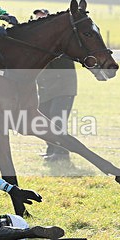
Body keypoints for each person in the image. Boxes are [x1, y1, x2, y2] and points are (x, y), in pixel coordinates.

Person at [34, 8, 78, 162]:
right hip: (45, 89)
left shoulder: (61, 39)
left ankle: (62, 154)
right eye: (37, 18)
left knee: (57, 119)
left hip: (63, 88)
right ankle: (52, 149)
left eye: (43, 18)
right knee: (43, 120)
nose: (39, 21)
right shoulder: (38, 40)